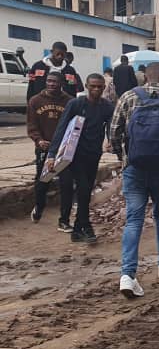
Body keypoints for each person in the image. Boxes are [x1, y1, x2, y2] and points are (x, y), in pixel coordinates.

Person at [110, 62, 159, 299]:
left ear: (144, 77)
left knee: (134, 218)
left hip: (134, 168)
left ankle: (127, 275)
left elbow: (114, 132)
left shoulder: (127, 97)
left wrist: (123, 158)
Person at [46, 73, 115, 244]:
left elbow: (111, 126)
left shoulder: (106, 106)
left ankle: (77, 230)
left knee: (86, 191)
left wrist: (111, 141)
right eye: (93, 86)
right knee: (83, 189)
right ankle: (86, 226)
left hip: (93, 154)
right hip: (73, 155)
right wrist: (52, 154)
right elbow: (61, 128)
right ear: (86, 86)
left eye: (100, 86)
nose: (96, 89)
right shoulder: (76, 104)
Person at [26, 72, 74, 228]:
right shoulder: (35, 101)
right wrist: (39, 140)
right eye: (49, 81)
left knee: (67, 184)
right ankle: (39, 207)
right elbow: (31, 126)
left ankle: (64, 220)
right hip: (43, 149)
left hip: (63, 151)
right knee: (42, 182)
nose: (51, 84)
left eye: (55, 82)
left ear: (61, 84)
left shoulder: (69, 102)